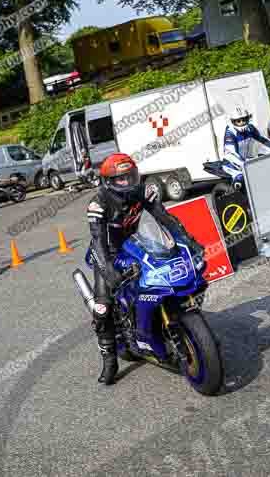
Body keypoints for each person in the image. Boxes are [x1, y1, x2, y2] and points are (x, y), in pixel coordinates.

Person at [86, 153, 205, 385]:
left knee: (163, 278)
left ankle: (164, 323)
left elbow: (165, 218)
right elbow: (98, 240)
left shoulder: (144, 190)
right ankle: (109, 361)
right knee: (102, 308)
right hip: (107, 252)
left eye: (130, 177)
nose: (127, 183)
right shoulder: (98, 204)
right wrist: (109, 272)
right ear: (109, 181)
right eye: (121, 179)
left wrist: (189, 242)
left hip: (137, 242)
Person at [221, 106, 270, 185]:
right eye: (238, 121)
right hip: (233, 163)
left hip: (249, 159)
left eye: (244, 119)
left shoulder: (250, 128)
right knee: (240, 180)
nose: (241, 122)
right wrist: (245, 163)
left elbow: (262, 140)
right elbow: (231, 153)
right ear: (233, 122)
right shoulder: (230, 133)